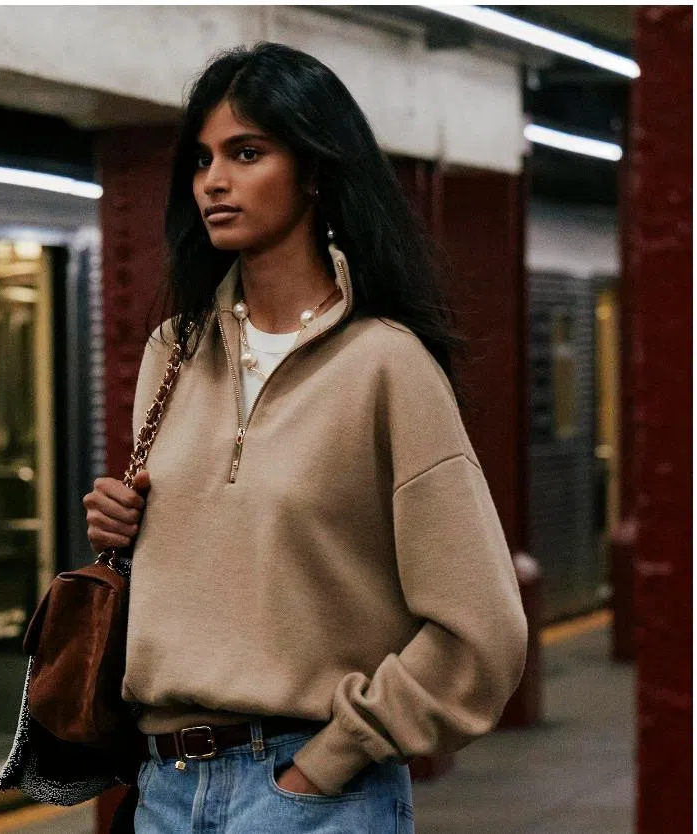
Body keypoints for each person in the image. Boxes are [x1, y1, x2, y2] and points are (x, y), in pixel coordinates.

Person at [83, 42, 528, 833]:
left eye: (246, 153)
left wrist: (326, 764)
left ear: (316, 171)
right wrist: (125, 523)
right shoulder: (173, 352)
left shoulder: (387, 365)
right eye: (202, 159)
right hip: (165, 791)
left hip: (308, 794)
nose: (213, 180)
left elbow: (481, 631)